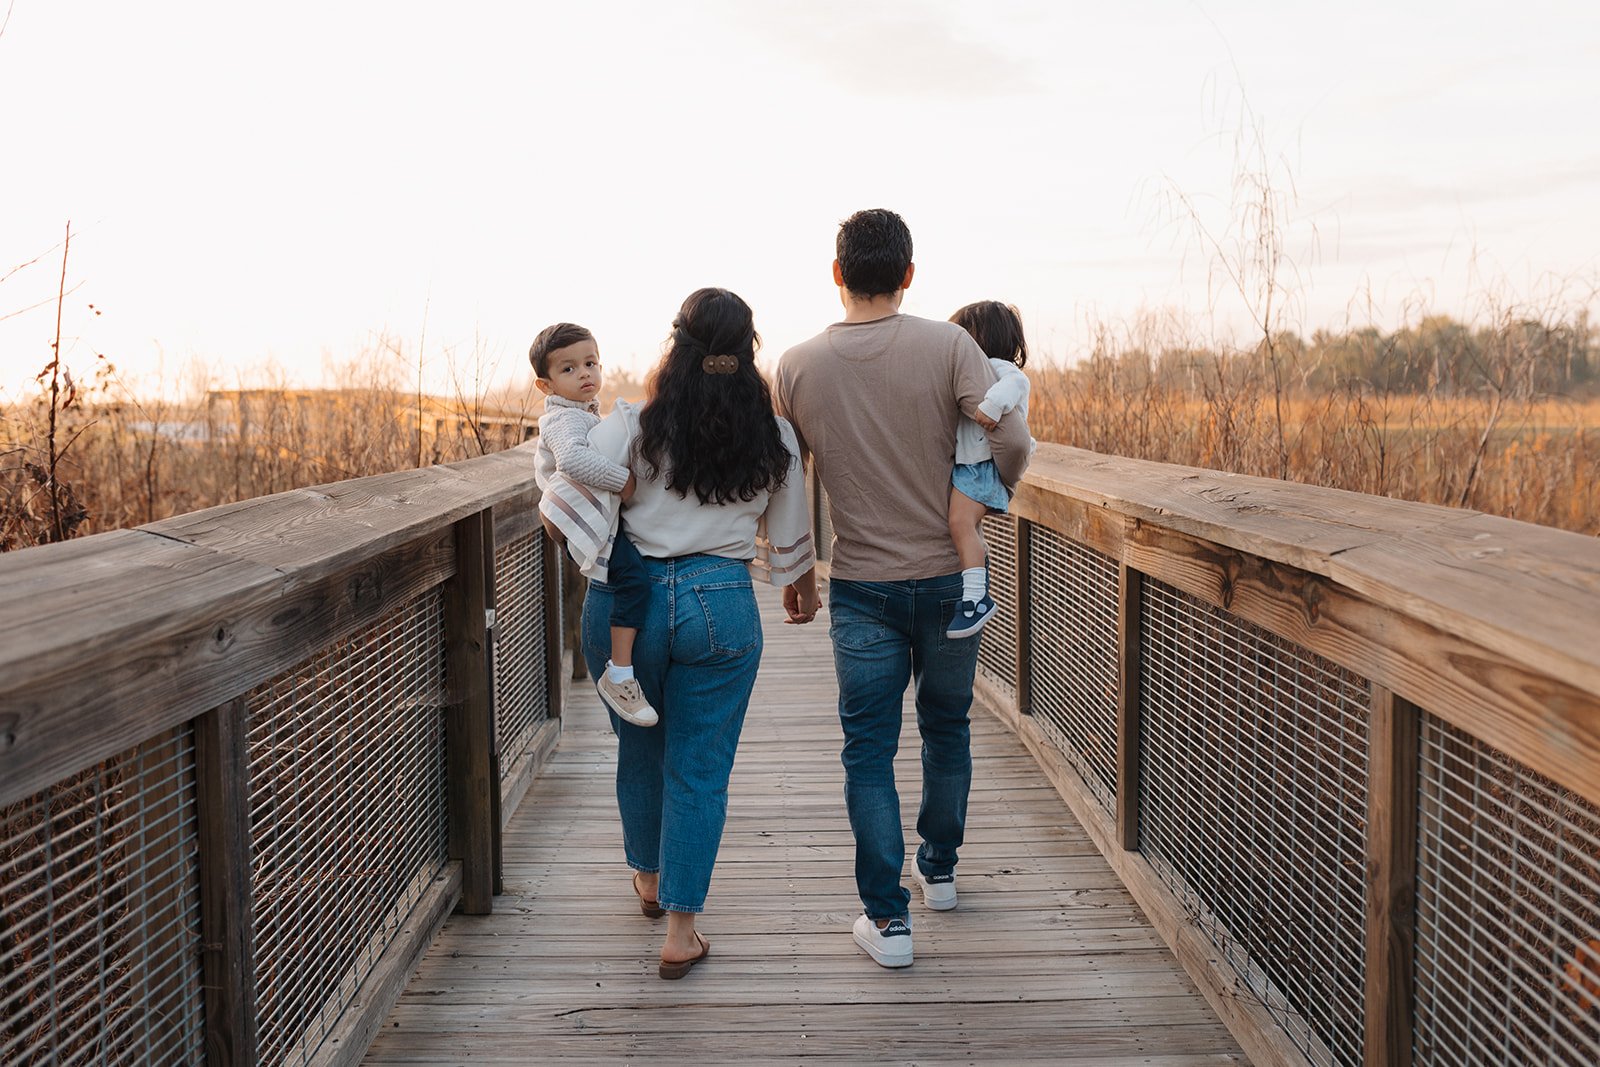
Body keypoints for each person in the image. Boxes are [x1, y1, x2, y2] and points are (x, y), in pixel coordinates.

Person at [775, 209, 1031, 969]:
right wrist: (982, 498)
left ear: (837, 274)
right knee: (947, 726)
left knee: (868, 750)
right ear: (909, 274)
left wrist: (794, 573)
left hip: (860, 586)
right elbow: (1010, 438)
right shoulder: (950, 345)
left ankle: (888, 923)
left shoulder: (795, 366)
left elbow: (787, 481)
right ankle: (941, 871)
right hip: (953, 582)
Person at [580, 288, 819, 979]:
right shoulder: (772, 434)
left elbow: (573, 489)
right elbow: (791, 526)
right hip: (721, 598)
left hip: (628, 602)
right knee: (700, 765)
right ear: (749, 348)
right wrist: (798, 587)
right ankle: (682, 930)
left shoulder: (631, 423)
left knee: (639, 740)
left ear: (675, 344)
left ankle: (649, 880)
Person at [528, 323, 657, 727]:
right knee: (633, 580)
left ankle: (620, 668)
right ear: (545, 386)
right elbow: (573, 461)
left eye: (590, 363)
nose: (584, 374)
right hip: (574, 518)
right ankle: (619, 674)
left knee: (626, 576)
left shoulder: (583, 412)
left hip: (580, 516)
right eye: (568, 369)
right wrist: (626, 482)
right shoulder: (563, 420)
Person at [945, 300, 1036, 638]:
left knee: (960, 522)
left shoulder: (999, 368)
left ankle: (976, 599)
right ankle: (974, 588)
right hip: (971, 467)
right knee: (968, 529)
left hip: (980, 468)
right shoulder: (978, 370)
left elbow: (1017, 386)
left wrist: (992, 406)